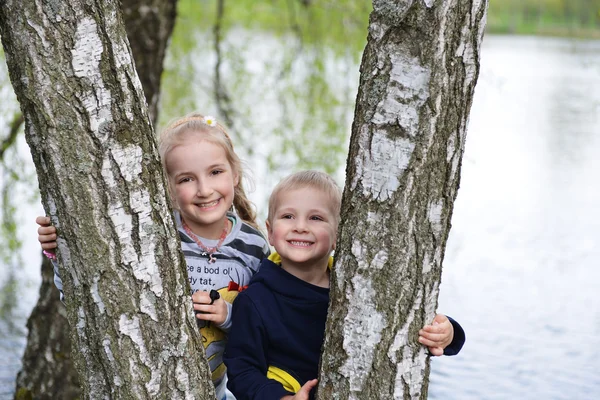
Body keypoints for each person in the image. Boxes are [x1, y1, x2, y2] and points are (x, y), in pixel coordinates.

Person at [36, 112, 271, 400]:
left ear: (234, 173)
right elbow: (88, 299)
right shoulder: (152, 234)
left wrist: (229, 316)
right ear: (168, 187)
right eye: (186, 179)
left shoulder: (254, 246)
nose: (204, 189)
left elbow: (266, 325)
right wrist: (60, 252)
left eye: (215, 172)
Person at [223, 170, 465, 400]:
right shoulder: (256, 300)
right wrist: (282, 397)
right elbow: (242, 370)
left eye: (315, 218)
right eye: (288, 216)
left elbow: (407, 318)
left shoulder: (358, 284)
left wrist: (447, 333)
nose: (300, 226)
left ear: (339, 235)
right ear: (271, 232)